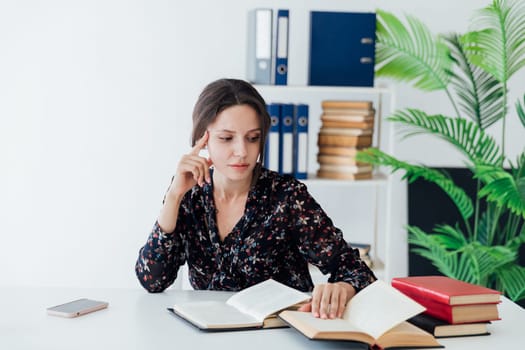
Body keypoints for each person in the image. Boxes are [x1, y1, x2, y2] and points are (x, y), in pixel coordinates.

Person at [135, 78, 376, 319]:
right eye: (227, 138)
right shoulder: (190, 194)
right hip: (212, 333)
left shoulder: (287, 197)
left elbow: (356, 272)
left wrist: (341, 288)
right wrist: (174, 197)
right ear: (202, 138)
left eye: (252, 138)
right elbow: (153, 280)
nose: (242, 151)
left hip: (279, 335)